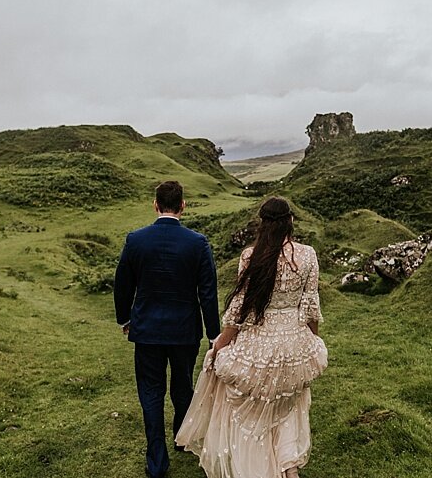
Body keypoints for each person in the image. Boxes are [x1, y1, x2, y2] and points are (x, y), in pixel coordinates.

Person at [176, 196, 327, 478]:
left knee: (255, 409)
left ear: (262, 224)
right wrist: (314, 342)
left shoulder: (251, 255)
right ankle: (287, 464)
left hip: (259, 347)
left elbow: (240, 310)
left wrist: (220, 344)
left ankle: (258, 468)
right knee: (287, 405)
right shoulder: (308, 255)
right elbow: (310, 307)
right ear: (290, 221)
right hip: (295, 344)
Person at [115, 180, 219, 478]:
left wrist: (125, 320)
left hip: (147, 329)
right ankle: (181, 438)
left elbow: (123, 285)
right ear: (182, 205)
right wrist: (214, 334)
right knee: (182, 385)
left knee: (151, 390)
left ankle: (156, 461)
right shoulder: (197, 242)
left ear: (155, 204)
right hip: (185, 330)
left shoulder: (135, 240)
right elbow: (208, 292)